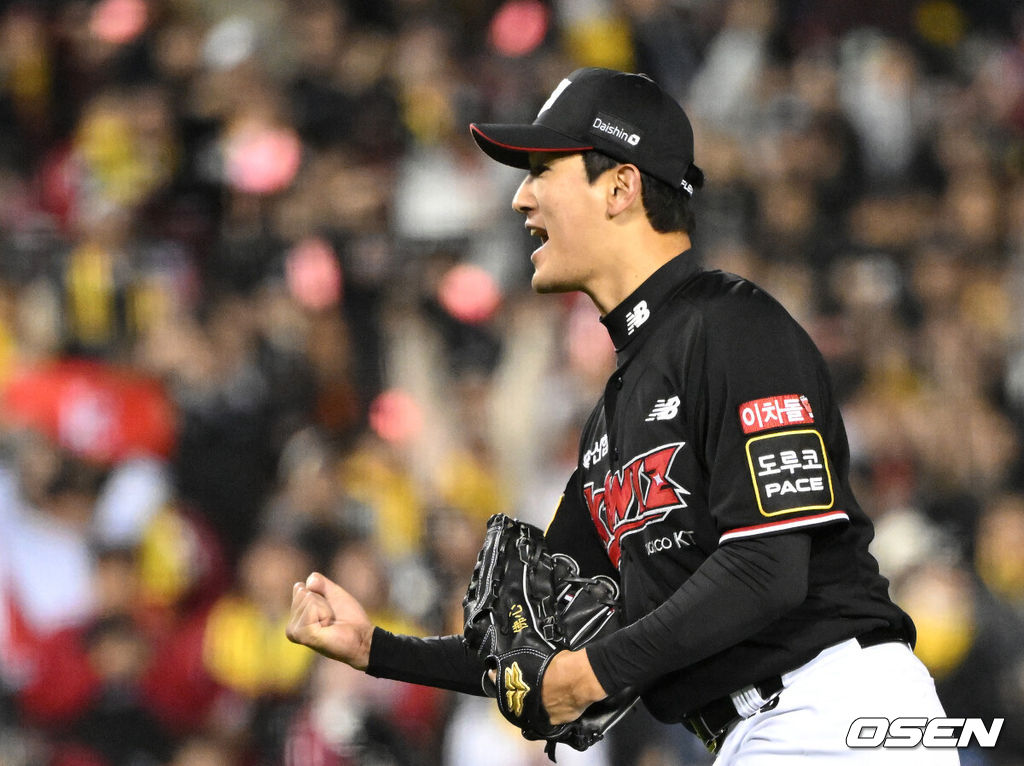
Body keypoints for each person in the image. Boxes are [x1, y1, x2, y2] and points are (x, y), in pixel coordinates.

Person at [288, 67, 958, 764]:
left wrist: (596, 672)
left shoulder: (734, 327)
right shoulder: (616, 413)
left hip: (837, 708)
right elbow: (541, 643)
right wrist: (377, 649)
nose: (520, 198)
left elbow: (769, 566)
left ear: (620, 186)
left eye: (544, 171)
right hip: (760, 731)